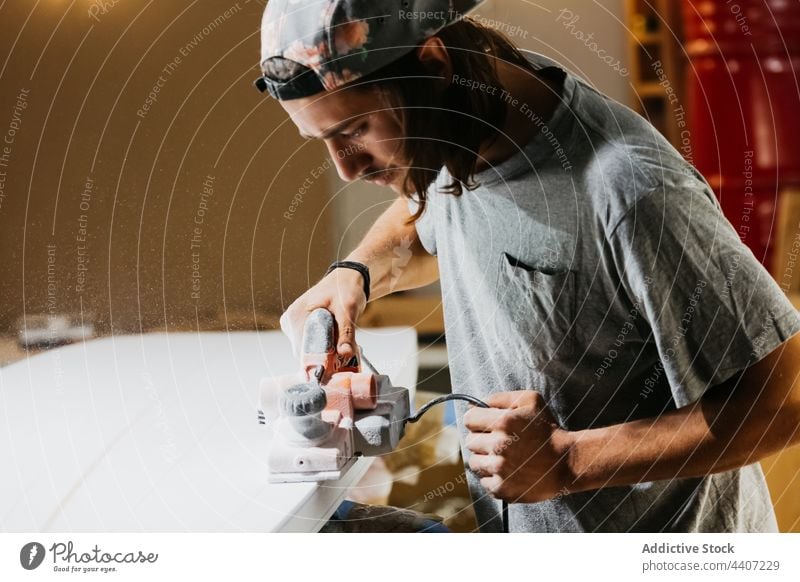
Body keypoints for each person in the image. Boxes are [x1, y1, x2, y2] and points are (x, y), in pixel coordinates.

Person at [255, 0, 800, 532]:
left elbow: (786, 401)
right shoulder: (461, 126)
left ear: (434, 64)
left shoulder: (632, 192)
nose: (346, 169)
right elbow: (424, 219)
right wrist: (355, 273)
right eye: (323, 141)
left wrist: (569, 462)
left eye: (353, 130)